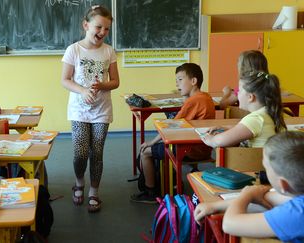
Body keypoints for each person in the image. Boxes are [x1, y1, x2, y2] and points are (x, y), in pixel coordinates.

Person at [194, 131, 304, 242]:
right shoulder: (297, 194)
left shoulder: (296, 214)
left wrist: (246, 195)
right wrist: (215, 206)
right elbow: (268, 198)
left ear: (283, 184)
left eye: (266, 167)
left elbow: (229, 224)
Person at [61, 5, 119, 213]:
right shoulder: (73, 50)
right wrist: (83, 90)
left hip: (101, 110)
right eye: (98, 27)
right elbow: (65, 80)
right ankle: (79, 183)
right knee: (80, 152)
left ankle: (94, 191)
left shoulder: (109, 51)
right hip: (79, 110)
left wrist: (102, 86)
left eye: (107, 29)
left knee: (97, 153)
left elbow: (115, 82)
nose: (102, 32)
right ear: (86, 25)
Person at [130, 63, 216, 203]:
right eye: (176, 81)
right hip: (203, 147)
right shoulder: (205, 96)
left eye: (180, 80)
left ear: (193, 81)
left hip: (191, 150)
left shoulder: (194, 101)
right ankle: (167, 184)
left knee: (146, 152)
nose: (177, 84)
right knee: (159, 147)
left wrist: (151, 142)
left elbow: (171, 126)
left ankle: (151, 192)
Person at [201, 72, 286, 148]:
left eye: (239, 90)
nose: (237, 94)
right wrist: (225, 128)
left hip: (256, 165)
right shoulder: (268, 112)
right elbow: (246, 128)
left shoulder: (256, 118)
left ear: (250, 97)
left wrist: (210, 139)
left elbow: (219, 141)